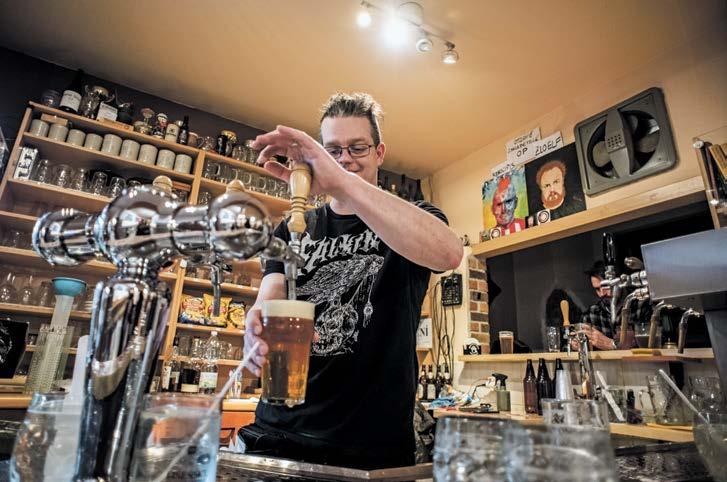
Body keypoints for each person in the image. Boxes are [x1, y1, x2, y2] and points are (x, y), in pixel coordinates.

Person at [238, 92, 463, 469]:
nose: (344, 160)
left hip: (369, 445)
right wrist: (256, 321)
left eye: (357, 148)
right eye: (332, 152)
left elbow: (449, 253)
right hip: (279, 433)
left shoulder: (410, 216)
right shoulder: (294, 227)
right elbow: (270, 296)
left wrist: (342, 183)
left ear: (379, 152)